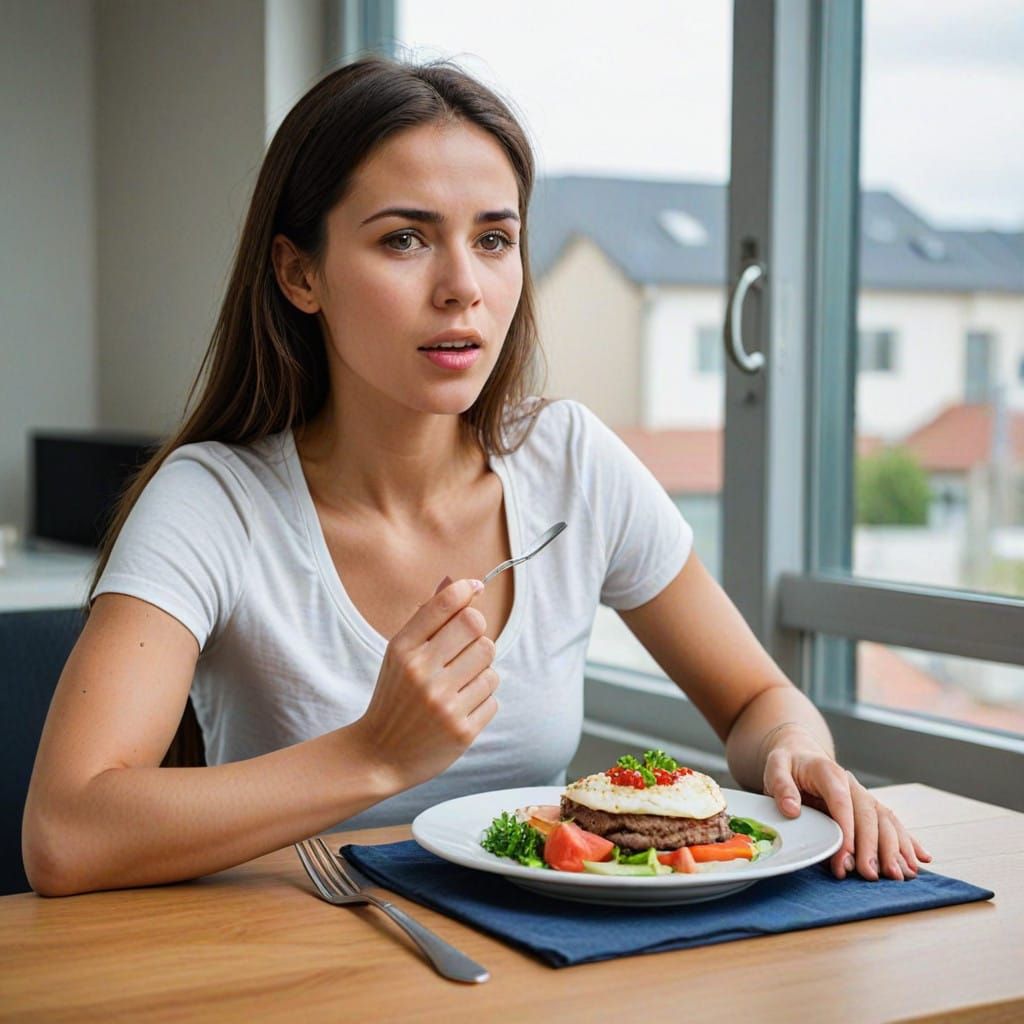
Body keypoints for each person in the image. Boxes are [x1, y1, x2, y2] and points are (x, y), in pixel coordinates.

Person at [22, 54, 930, 897]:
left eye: (494, 240)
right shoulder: (212, 502)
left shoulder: (573, 465)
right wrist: (375, 754)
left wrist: (797, 750)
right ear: (300, 273)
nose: (464, 286)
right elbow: (65, 834)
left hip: (531, 972)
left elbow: (755, 701)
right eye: (405, 240)